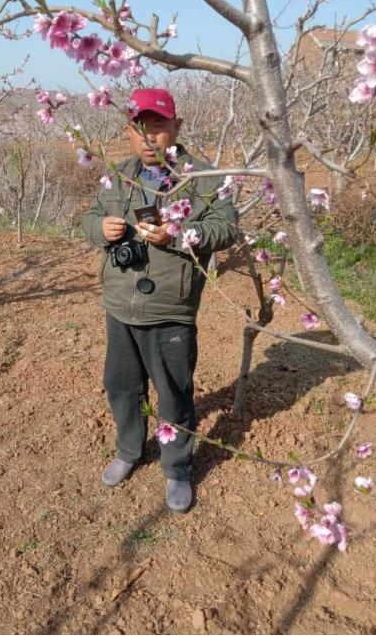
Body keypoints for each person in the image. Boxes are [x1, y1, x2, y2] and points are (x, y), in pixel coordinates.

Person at [83, 88, 237, 513]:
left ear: (177, 128)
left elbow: (226, 230)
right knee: (121, 386)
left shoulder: (205, 179)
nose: (150, 137)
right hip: (119, 306)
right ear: (129, 130)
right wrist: (102, 229)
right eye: (140, 127)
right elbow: (88, 219)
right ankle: (129, 451)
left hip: (171, 310)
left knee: (173, 393)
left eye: (159, 126)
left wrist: (181, 232)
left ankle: (177, 469)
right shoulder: (118, 176)